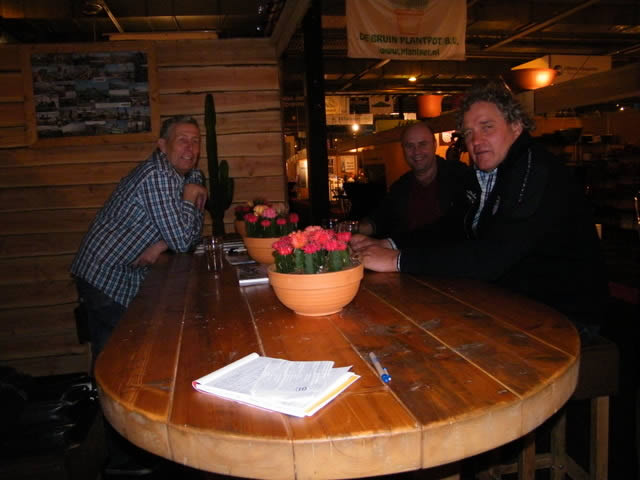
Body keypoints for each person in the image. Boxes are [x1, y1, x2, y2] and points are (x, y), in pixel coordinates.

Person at [352, 82, 609, 338]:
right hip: (514, 301)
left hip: (565, 317)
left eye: (487, 127)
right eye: (468, 132)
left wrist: (397, 260)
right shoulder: (486, 173)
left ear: (516, 125)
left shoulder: (535, 171)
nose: (476, 141)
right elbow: (452, 226)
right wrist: (388, 243)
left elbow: (492, 257)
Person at [70, 115, 208, 476]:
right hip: (104, 277)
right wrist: (189, 204)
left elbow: (187, 223)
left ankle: (130, 446)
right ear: (162, 146)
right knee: (118, 369)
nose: (190, 148)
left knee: (132, 360)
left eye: (195, 141)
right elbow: (184, 239)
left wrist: (162, 240)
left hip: (125, 276)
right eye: (182, 140)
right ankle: (120, 460)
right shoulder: (157, 176)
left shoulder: (179, 174)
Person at [357, 122, 471, 244]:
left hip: (453, 254)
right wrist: (353, 229)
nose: (416, 151)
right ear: (403, 150)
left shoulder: (459, 176)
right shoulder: (400, 187)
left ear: (434, 145)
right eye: (409, 146)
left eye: (422, 144)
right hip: (407, 254)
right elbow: (381, 218)